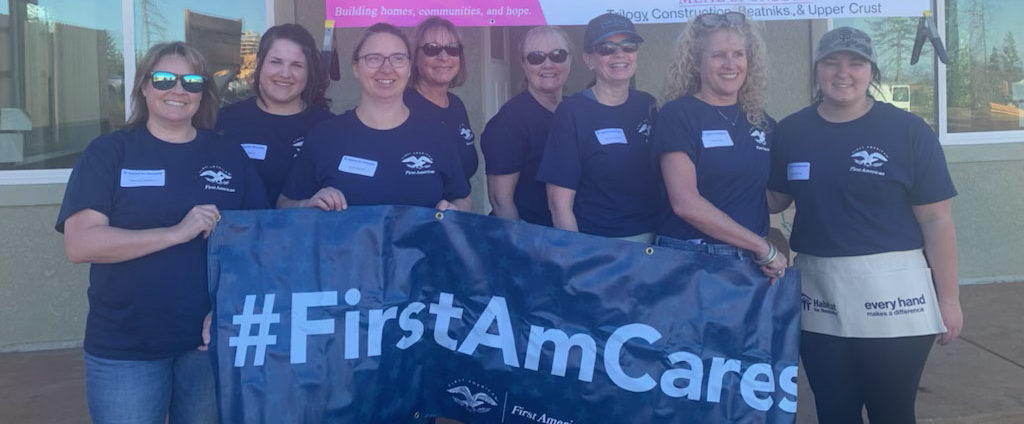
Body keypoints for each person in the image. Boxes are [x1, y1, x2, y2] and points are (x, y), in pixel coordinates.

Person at [55, 42, 268, 423]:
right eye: (165, 79)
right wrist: (175, 233)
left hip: (207, 343)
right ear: (144, 86)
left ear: (203, 93)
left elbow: (260, 241)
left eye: (192, 82)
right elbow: (81, 242)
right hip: (126, 346)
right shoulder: (110, 153)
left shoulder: (227, 156)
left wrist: (227, 309)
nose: (178, 90)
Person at [767, 27, 962, 423]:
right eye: (831, 63)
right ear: (817, 70)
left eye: (856, 63)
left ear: (871, 71)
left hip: (896, 301)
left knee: (891, 411)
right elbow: (773, 199)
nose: (843, 73)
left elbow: (937, 220)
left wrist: (950, 300)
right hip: (820, 299)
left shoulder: (908, 132)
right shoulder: (791, 131)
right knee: (835, 411)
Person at [651, 12, 786, 281]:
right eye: (718, 55)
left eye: (738, 54)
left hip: (752, 266)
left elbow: (768, 199)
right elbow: (685, 203)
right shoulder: (678, 115)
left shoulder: (761, 123)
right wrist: (763, 247)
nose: (730, 64)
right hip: (693, 262)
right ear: (696, 63)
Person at [277, 23, 470, 212]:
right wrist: (307, 204)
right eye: (374, 58)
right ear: (355, 67)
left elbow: (462, 197)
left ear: (409, 67)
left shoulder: (437, 135)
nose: (387, 68)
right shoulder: (325, 136)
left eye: (398, 58)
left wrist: (455, 209)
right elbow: (284, 203)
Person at [536, 13, 661, 242]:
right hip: (600, 248)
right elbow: (559, 205)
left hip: (654, 246)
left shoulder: (648, 105)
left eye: (628, 46)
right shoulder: (572, 112)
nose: (620, 55)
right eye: (607, 48)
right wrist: (577, 258)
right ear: (589, 59)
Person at [217, 23, 334, 206]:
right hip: (238, 232)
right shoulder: (225, 122)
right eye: (275, 62)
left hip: (304, 233)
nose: (285, 73)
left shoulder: (327, 127)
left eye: (296, 65)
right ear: (258, 63)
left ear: (309, 71)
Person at [481, 26, 573, 226]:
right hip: (534, 241)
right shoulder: (508, 122)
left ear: (570, 60)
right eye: (536, 57)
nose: (548, 64)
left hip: (574, 236)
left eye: (558, 55)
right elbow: (501, 202)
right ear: (523, 64)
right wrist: (523, 250)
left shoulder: (574, 111)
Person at [405, 16, 479, 185]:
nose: (444, 57)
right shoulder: (401, 107)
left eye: (452, 49)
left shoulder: (457, 105)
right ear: (415, 58)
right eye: (432, 49)